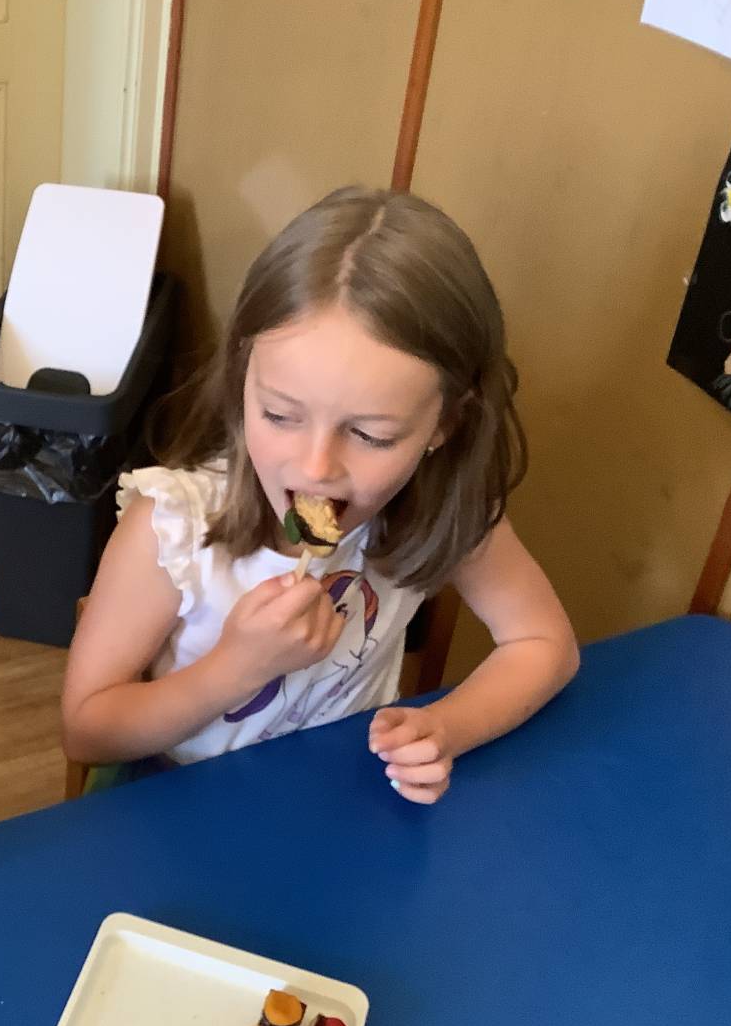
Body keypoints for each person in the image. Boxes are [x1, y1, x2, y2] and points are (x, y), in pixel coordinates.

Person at [62, 187, 578, 801]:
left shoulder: (439, 511)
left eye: (369, 434)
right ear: (243, 379)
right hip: (175, 796)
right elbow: (86, 730)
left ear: (446, 424)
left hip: (340, 793)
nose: (314, 467)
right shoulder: (174, 526)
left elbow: (545, 645)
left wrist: (445, 728)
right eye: (280, 415)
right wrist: (236, 668)